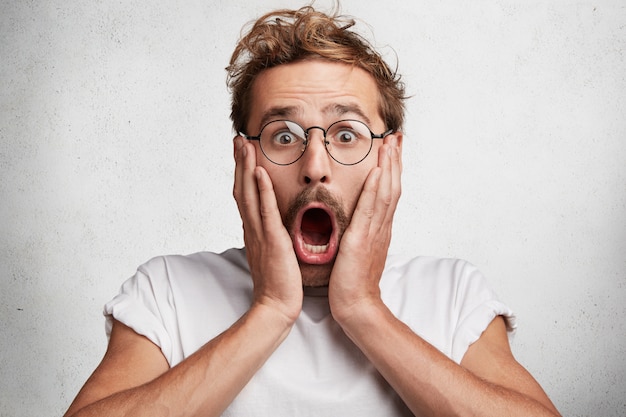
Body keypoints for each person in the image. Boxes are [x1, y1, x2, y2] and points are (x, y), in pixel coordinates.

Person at [64, 5, 561, 417]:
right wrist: (270, 310)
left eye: (347, 134)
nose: (315, 167)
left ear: (391, 157)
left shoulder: (452, 294)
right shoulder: (168, 291)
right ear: (245, 157)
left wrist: (364, 310)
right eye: (285, 136)